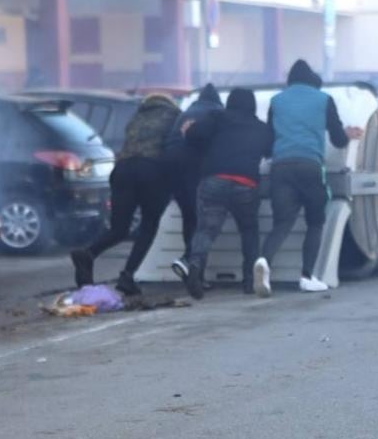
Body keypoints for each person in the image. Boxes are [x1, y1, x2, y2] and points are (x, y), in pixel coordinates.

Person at [258, 59, 363, 296]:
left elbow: (267, 142)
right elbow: (337, 139)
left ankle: (264, 263)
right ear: (312, 81)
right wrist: (347, 135)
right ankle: (307, 276)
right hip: (310, 165)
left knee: (282, 223)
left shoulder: (276, 101)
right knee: (315, 222)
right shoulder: (323, 100)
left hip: (281, 167)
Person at [70, 94, 180, 296]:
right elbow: (175, 148)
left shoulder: (136, 118)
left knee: (119, 228)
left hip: (122, 170)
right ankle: (128, 275)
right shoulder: (175, 116)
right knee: (149, 225)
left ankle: (88, 253)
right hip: (151, 170)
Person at [174, 88, 274, 300]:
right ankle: (249, 281)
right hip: (246, 183)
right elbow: (270, 151)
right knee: (249, 230)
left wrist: (188, 129)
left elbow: (192, 136)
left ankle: (194, 267)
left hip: (214, 180)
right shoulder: (261, 128)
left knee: (206, 230)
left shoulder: (217, 118)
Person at [165, 83, 223, 275]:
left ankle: (189, 265)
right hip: (193, 166)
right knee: (200, 218)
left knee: (189, 216)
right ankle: (191, 264)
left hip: (171, 165)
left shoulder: (186, 112)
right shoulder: (216, 112)